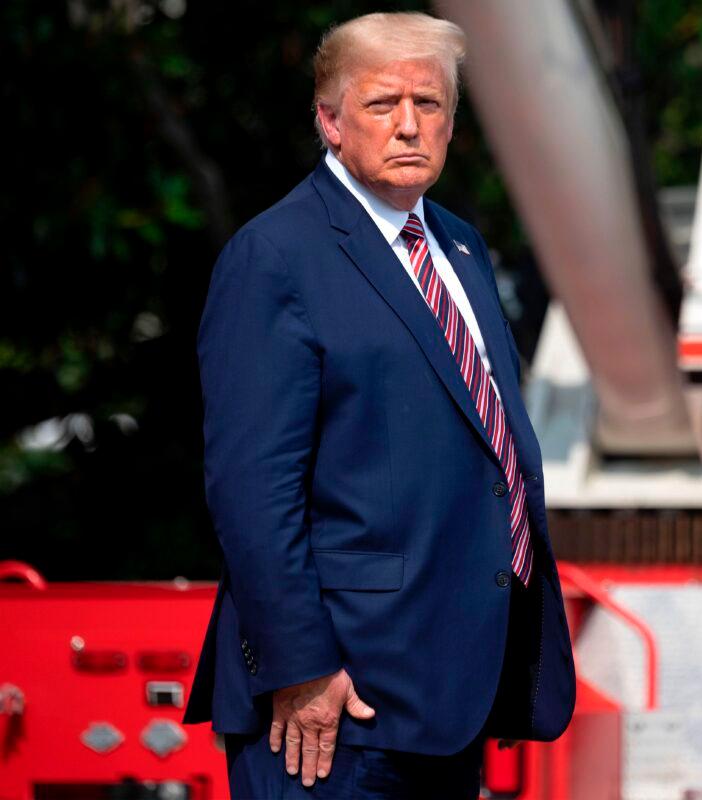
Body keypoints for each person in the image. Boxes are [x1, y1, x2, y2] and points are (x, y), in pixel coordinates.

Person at [182, 12, 575, 797]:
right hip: (334, 703)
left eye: (428, 106)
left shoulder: (458, 246)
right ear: (329, 120)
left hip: (450, 692)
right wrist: (301, 666)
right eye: (381, 104)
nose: (407, 126)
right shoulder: (275, 256)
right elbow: (253, 490)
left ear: (453, 123)